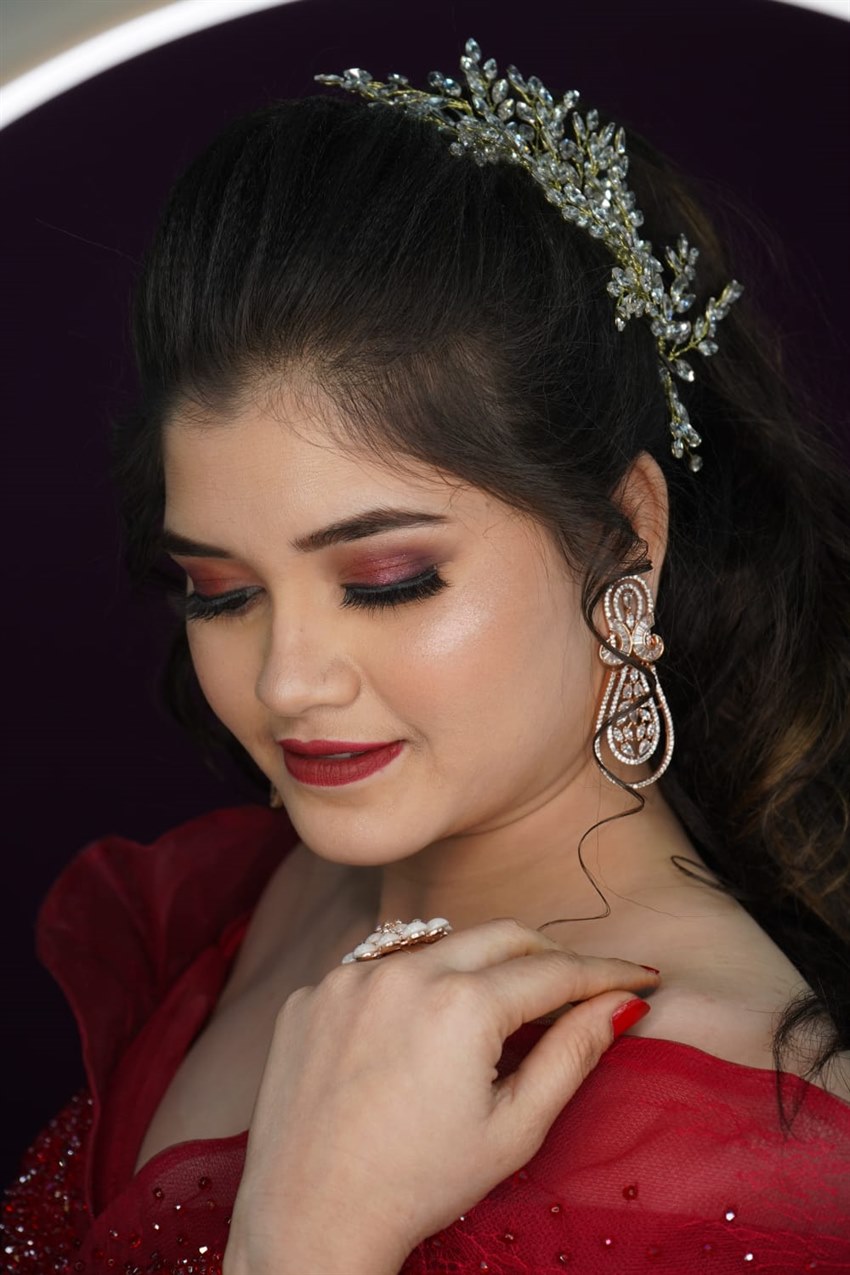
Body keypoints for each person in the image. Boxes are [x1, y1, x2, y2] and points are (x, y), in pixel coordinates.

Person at [3, 36, 849, 1275]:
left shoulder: (749, 1165)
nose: (287, 682)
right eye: (221, 594)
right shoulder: (264, 899)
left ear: (625, 537)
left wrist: (308, 1242)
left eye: (387, 582)